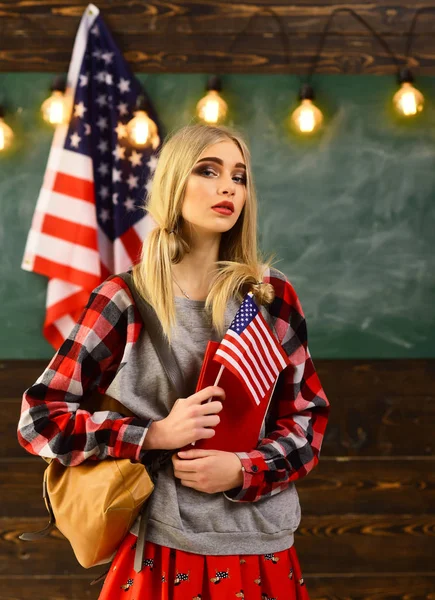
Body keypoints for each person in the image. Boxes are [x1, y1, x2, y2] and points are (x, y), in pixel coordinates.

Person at [18, 123, 330, 599]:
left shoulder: (271, 295)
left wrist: (242, 469)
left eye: (239, 177)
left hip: (263, 546)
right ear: (173, 183)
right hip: (164, 547)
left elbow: (306, 421)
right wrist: (153, 435)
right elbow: (40, 419)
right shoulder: (124, 298)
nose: (228, 186)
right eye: (209, 171)